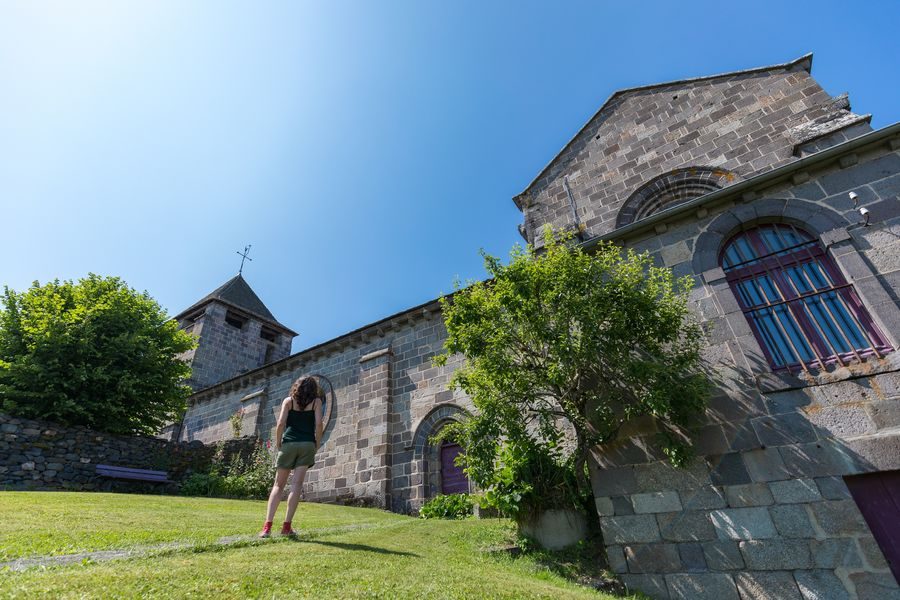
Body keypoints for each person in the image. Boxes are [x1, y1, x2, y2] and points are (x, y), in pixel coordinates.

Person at [259, 375, 323, 538]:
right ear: (313, 389)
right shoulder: (316, 402)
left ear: (297, 386)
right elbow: (318, 424)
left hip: (288, 443)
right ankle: (287, 526)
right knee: (297, 485)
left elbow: (280, 423)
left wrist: (279, 441)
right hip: (307, 444)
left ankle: (267, 527)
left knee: (278, 486)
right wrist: (317, 442)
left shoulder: (288, 401)